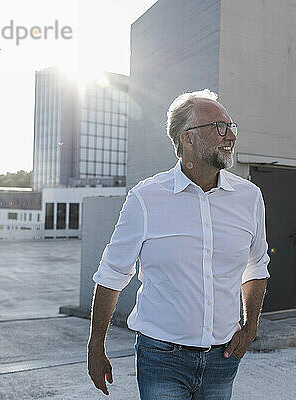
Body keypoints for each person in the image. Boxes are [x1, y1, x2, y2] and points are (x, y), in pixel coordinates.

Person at [87, 89, 270, 399]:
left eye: (232, 126)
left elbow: (256, 266)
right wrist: (96, 346)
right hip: (162, 358)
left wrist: (251, 325)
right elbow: (112, 274)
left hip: (223, 357)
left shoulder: (249, 198)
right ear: (188, 138)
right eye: (219, 127)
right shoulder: (145, 199)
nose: (230, 136)